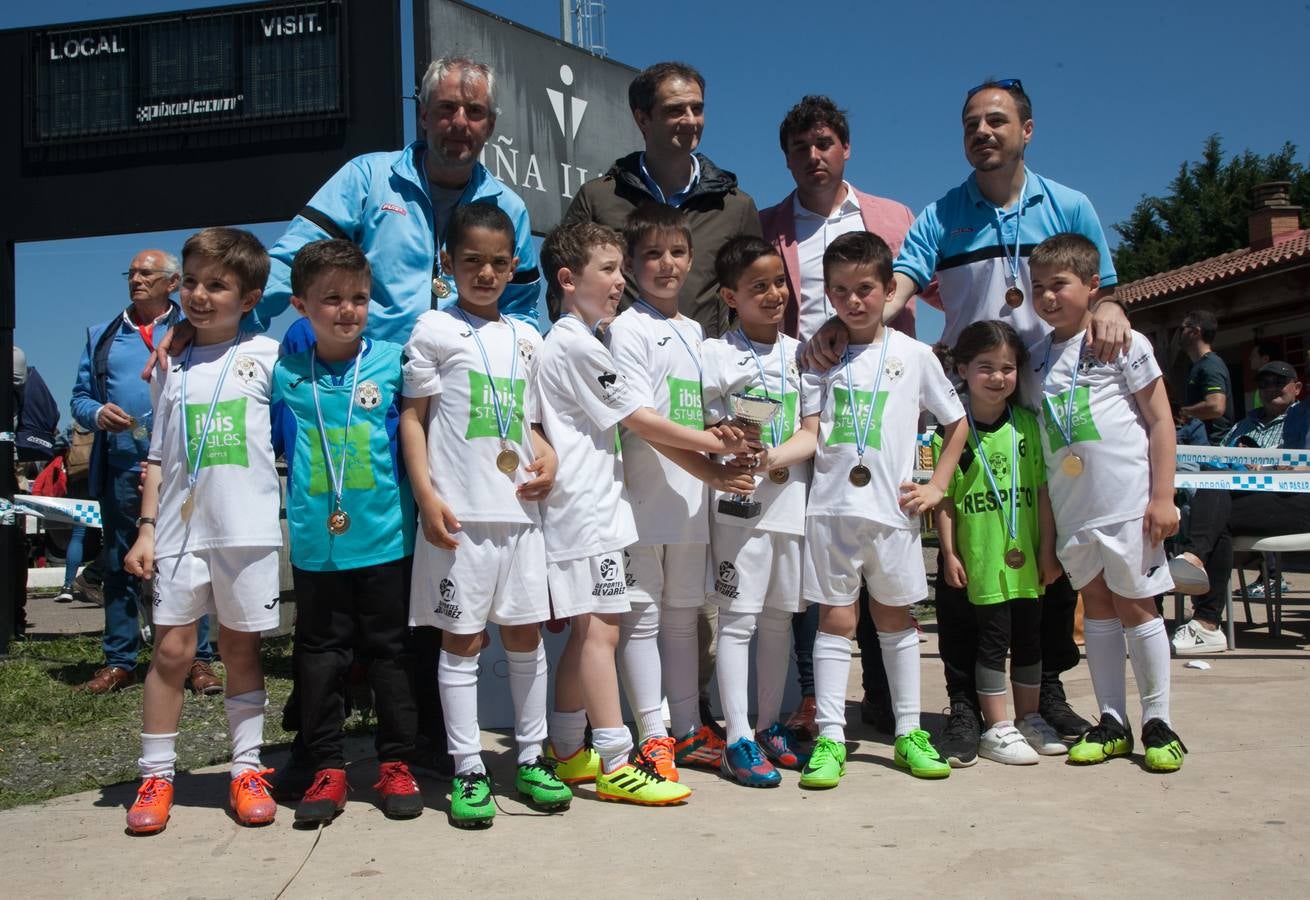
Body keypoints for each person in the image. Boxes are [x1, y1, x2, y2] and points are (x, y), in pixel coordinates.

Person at [807, 80, 1129, 760]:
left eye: (997, 121)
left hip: (1044, 405)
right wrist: (848, 318)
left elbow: (1106, 289)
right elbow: (898, 282)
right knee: (955, 560)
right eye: (971, 124)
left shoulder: (1070, 205)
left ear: (1027, 129)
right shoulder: (941, 214)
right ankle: (957, 700)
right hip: (964, 404)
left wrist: (1115, 308)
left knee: (1044, 554)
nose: (983, 132)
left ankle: (1042, 694)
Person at [759, 94, 928, 736]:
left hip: (881, 407)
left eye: (824, 143)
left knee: (888, 575)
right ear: (787, 158)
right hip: (814, 401)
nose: (813, 156)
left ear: (846, 147)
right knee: (819, 561)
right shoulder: (774, 223)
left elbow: (926, 282)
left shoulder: (892, 216)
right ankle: (814, 698)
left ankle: (888, 705)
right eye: (800, 147)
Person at [400, 203, 566, 829]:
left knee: (523, 637)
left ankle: (530, 756)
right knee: (462, 641)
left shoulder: (528, 337)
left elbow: (530, 425)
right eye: (472, 261)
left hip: (520, 515)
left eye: (499, 262)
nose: (487, 273)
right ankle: (468, 766)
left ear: (515, 265)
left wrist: (546, 457)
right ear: (448, 263)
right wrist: (426, 495)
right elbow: (414, 421)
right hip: (461, 515)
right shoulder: (432, 330)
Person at [122, 228, 283, 835]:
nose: (199, 294)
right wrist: (145, 529)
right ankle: (156, 775)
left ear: (249, 297)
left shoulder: (269, 355)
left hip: (246, 531)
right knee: (170, 652)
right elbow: (160, 456)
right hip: (180, 534)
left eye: (217, 285)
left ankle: (246, 768)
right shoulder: (170, 362)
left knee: (241, 650)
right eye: (190, 282)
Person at [797, 231, 967, 788]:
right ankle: (828, 735)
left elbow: (956, 422)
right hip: (831, 510)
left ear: (889, 288)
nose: (853, 301)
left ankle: (908, 732)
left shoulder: (915, 356)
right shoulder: (818, 355)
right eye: (840, 290)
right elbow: (811, 431)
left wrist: (938, 485)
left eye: (865, 288)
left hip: (893, 511)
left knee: (895, 620)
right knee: (836, 621)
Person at [535, 221, 692, 806]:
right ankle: (617, 762)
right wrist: (714, 444)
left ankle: (571, 750)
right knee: (602, 631)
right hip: (585, 512)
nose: (621, 281)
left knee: (586, 632)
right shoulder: (574, 342)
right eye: (609, 269)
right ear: (568, 279)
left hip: (592, 509)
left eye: (622, 270)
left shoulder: (576, 340)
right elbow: (641, 419)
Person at [268, 239, 424, 824]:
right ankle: (326, 767)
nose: (347, 310)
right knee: (320, 657)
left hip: (386, 539)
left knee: (390, 654)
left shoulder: (393, 361)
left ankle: (396, 762)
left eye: (358, 297)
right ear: (301, 304)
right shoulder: (283, 373)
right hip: (316, 545)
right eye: (330, 299)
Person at [603, 204, 757, 781]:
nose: (665, 265)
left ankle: (688, 729)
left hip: (693, 502)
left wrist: (734, 436)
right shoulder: (627, 328)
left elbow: (708, 407)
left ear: (691, 260)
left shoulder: (696, 332)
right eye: (651, 255)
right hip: (643, 496)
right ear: (633, 263)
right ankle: (652, 734)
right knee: (642, 618)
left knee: (684, 616)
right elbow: (639, 419)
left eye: (675, 253)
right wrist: (710, 457)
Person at [1028, 233, 1187, 772]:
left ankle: (1158, 722)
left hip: (1127, 505)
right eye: (1038, 288)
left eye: (1060, 285)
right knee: (1095, 608)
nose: (1048, 297)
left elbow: (1161, 419)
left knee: (1137, 606)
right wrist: (1048, 539)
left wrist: (1162, 496)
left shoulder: (1124, 342)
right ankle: (1113, 720)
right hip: (1076, 512)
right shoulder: (1033, 361)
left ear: (1093, 285)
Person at [71, 250, 219, 695]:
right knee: (118, 563)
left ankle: (199, 659)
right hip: (121, 466)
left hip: (184, 468)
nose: (135, 279)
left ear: (171, 283)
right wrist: (97, 413)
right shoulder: (103, 336)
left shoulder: (200, 329)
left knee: (192, 560)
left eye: (146, 273)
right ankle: (120, 660)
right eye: (131, 272)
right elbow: (79, 397)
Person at [702, 236, 817, 787]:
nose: (773, 295)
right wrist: (729, 445)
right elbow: (703, 426)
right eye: (757, 287)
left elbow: (813, 433)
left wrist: (772, 454)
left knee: (777, 619)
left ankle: (770, 725)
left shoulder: (804, 353)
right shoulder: (714, 355)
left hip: (789, 503)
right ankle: (737, 737)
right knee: (739, 620)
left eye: (779, 283)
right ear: (730, 296)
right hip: (738, 505)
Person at [934, 321, 1067, 765]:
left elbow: (1044, 494)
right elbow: (946, 501)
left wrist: (1048, 550)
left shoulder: (1029, 425)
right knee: (992, 642)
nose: (998, 377)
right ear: (962, 369)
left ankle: (1029, 718)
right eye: (985, 367)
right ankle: (997, 726)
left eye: (1008, 368)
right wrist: (949, 553)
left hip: (1027, 561)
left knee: (1030, 641)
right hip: (981, 560)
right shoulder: (951, 432)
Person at [562, 61, 762, 338]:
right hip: (617, 367)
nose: (690, 120)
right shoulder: (598, 198)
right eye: (675, 110)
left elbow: (756, 291)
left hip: (705, 370)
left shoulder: (735, 207)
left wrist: (727, 352)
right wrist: (593, 332)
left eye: (697, 108)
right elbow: (563, 280)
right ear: (642, 119)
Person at [1170, 360, 1310, 653]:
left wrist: (1276, 468)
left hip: (1295, 499)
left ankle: (1205, 612)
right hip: (1249, 498)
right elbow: (1218, 461)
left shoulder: (1303, 414)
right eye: (1264, 383)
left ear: (1297, 388)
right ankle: (1205, 620)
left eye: (1278, 382)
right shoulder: (1245, 424)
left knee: (1214, 512)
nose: (1270, 388)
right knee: (1215, 500)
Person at [1177, 310, 1233, 445]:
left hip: (1210, 452)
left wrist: (1185, 412)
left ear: (1195, 332)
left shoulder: (1210, 365)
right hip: (1200, 447)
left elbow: (1216, 406)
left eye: (1182, 329)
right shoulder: (1200, 365)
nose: (1179, 334)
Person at [1246, 340, 1279, 413]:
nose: (1250, 358)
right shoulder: (1262, 382)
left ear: (1265, 359)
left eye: (1253, 356)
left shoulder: (1275, 382)